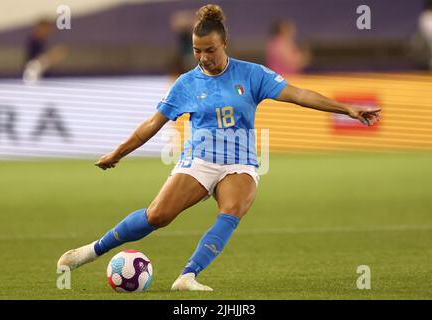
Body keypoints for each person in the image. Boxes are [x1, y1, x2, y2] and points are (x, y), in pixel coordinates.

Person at [57, 4, 380, 291]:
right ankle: (89, 251)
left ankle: (187, 276)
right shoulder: (187, 83)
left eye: (209, 50)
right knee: (157, 215)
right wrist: (117, 153)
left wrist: (347, 109)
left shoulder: (251, 74)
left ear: (224, 43)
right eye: (197, 51)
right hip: (199, 160)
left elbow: (299, 94)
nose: (203, 57)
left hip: (240, 162)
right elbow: (152, 124)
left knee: (232, 209)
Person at [22, 19, 68, 83]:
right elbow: (34, 62)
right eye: (47, 28)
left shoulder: (42, 41)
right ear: (41, 27)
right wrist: (52, 56)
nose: (49, 31)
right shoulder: (34, 41)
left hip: (41, 75)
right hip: (33, 74)